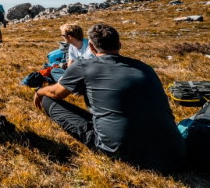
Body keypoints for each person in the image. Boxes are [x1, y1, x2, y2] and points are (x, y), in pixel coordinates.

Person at [34, 24, 186, 172]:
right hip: (175, 152)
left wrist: (40, 91)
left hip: (124, 152)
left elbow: (55, 93)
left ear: (91, 47)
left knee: (49, 99)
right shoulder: (145, 68)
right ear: (119, 44)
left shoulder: (83, 65)